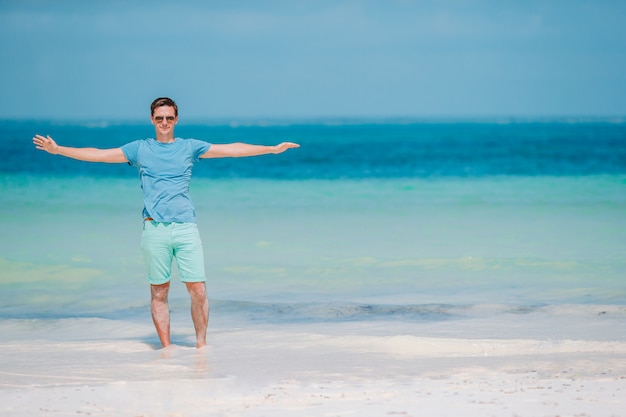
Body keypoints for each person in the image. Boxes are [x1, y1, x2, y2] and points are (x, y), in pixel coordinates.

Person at [32, 97, 299, 349]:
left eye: (169, 118)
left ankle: (201, 345)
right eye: (159, 118)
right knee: (159, 291)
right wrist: (58, 150)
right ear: (151, 119)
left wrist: (271, 149)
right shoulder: (139, 149)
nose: (164, 122)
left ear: (176, 119)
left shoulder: (189, 147)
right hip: (154, 229)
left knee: (198, 290)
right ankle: (167, 349)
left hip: (186, 228)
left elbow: (231, 149)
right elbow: (99, 154)